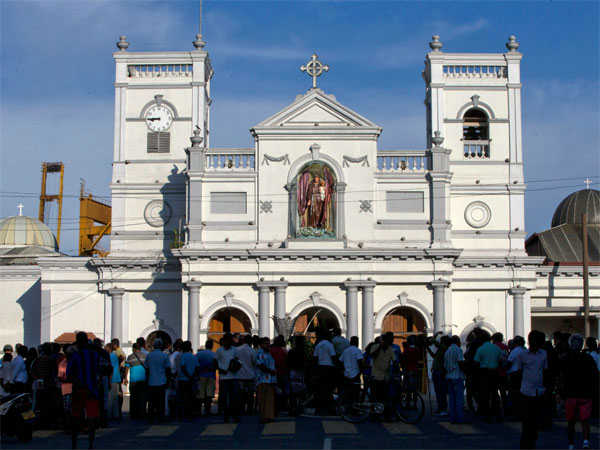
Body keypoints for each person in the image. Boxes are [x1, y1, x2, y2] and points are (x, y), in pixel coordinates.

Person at [559, 334, 597, 450]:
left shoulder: (565, 358)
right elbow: (594, 376)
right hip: (585, 393)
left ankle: (571, 444)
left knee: (571, 421)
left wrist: (561, 393)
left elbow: (561, 377)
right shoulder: (588, 358)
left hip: (570, 394)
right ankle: (585, 442)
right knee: (585, 420)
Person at [67, 332, 102, 449]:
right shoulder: (95, 355)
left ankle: (74, 444)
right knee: (91, 417)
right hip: (92, 390)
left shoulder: (75, 356)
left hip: (79, 390)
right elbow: (102, 369)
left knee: (75, 417)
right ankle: (90, 444)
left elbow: (69, 374)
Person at [514, 330, 548, 449]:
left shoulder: (543, 354)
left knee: (535, 421)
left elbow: (545, 370)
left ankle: (532, 441)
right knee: (526, 421)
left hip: (539, 391)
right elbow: (518, 371)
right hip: (526, 391)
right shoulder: (522, 355)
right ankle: (525, 445)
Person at [473, 332, 504, 422]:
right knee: (494, 393)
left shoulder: (480, 349)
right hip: (494, 372)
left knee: (484, 394)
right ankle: (497, 414)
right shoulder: (496, 348)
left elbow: (476, 362)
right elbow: (501, 360)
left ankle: (486, 415)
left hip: (484, 372)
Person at [369, 332, 396, 420]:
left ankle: (386, 415)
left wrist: (397, 371)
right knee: (375, 397)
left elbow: (395, 361)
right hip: (375, 375)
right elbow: (372, 356)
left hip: (385, 376)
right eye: (389, 341)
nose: (390, 342)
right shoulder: (375, 347)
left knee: (385, 397)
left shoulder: (390, 349)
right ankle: (373, 414)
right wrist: (380, 347)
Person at [215, 333, 240, 423]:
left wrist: (234, 367)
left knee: (234, 398)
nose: (229, 342)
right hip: (224, 378)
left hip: (233, 377)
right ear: (224, 341)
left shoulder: (234, 350)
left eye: (230, 340)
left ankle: (234, 415)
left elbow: (237, 361)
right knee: (224, 398)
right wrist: (220, 370)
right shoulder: (219, 350)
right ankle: (226, 416)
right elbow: (215, 362)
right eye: (227, 340)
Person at [145, 338, 171, 423]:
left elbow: (147, 369)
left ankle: (151, 417)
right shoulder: (164, 355)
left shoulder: (149, 355)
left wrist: (147, 379)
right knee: (161, 402)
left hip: (151, 381)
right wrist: (168, 380)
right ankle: (161, 417)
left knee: (151, 402)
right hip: (161, 381)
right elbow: (168, 369)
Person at [313, 328, 336, 415]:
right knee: (329, 389)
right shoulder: (329, 345)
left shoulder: (318, 345)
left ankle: (319, 409)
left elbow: (315, 358)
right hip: (329, 368)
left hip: (320, 368)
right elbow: (333, 356)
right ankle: (330, 409)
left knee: (320, 389)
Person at [444, 335, 467, 424]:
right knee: (459, 399)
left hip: (449, 376)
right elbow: (460, 362)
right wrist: (465, 371)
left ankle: (452, 418)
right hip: (457, 376)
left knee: (452, 399)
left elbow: (445, 365)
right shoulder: (458, 350)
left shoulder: (447, 351)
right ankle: (460, 418)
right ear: (457, 342)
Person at [256, 337, 277, 423]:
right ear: (261, 345)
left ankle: (269, 416)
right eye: (265, 343)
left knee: (269, 400)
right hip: (262, 379)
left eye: (268, 343)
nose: (268, 345)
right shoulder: (260, 354)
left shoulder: (269, 354)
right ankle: (263, 417)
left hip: (270, 380)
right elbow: (261, 365)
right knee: (263, 400)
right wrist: (270, 371)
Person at [428, 333, 449, 416]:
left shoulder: (444, 348)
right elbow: (434, 356)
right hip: (436, 371)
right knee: (438, 391)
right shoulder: (440, 349)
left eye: (441, 341)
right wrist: (427, 348)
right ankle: (440, 407)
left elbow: (438, 344)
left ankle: (443, 408)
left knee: (441, 391)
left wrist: (434, 338)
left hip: (440, 372)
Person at [176, 340, 198, 420]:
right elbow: (197, 367)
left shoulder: (182, 356)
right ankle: (190, 414)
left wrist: (188, 376)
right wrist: (192, 376)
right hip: (191, 380)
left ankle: (181, 415)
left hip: (183, 379)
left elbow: (183, 367)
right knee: (190, 397)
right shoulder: (193, 356)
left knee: (182, 398)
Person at [125, 343, 147, 420]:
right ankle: (142, 413)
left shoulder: (130, 357)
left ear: (134, 349)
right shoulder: (145, 356)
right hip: (143, 379)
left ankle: (134, 414)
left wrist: (125, 378)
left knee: (133, 398)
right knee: (142, 397)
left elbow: (127, 368)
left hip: (133, 380)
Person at [340, 336, 363, 407]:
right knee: (356, 394)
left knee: (347, 394)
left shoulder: (345, 351)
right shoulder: (357, 350)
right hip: (355, 375)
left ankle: (348, 408)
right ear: (357, 342)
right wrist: (361, 372)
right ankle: (355, 408)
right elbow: (360, 362)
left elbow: (340, 361)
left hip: (346, 375)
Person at [236, 334, 256, 415]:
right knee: (250, 395)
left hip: (240, 376)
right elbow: (254, 362)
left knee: (241, 394)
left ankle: (241, 409)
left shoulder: (237, 350)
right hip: (250, 376)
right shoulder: (252, 351)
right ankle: (250, 409)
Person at [196, 339, 217, 416]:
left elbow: (196, 364)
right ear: (212, 346)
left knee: (200, 394)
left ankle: (199, 410)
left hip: (201, 375)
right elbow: (216, 365)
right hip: (211, 376)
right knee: (209, 394)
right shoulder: (214, 354)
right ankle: (207, 410)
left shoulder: (199, 354)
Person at [287, 335, 307, 416]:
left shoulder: (291, 351)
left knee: (293, 392)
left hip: (293, 372)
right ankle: (299, 408)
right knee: (300, 391)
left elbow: (288, 362)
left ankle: (292, 407)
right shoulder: (303, 352)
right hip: (300, 372)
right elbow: (305, 362)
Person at [507, 335, 526, 418]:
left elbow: (509, 362)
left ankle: (514, 412)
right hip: (523, 374)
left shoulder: (515, 351)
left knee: (514, 394)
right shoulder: (525, 350)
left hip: (515, 374)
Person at [270, 335, 289, 414]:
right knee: (283, 390)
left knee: (275, 390)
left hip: (274, 373)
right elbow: (287, 360)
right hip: (282, 372)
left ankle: (276, 406)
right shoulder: (283, 350)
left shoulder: (271, 350)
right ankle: (283, 406)